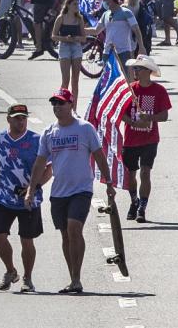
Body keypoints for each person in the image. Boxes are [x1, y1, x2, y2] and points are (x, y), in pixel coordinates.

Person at [25, 88, 116, 294]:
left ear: (71, 105)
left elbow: (99, 155)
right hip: (59, 192)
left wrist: (109, 182)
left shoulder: (85, 128)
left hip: (81, 189)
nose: (57, 107)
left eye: (61, 103)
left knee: (74, 229)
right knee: (66, 236)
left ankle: (77, 278)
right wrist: (31, 189)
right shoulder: (49, 132)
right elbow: (40, 163)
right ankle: (73, 277)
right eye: (54, 104)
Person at [0, 104, 51, 293]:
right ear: (9, 119)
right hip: (3, 199)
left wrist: (34, 187)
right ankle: (10, 270)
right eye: (17, 118)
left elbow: (48, 169)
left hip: (29, 200)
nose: (21, 121)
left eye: (23, 118)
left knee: (27, 240)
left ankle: (27, 278)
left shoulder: (36, 140)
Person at [120, 54, 170, 223]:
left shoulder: (159, 91)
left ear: (147, 71)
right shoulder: (130, 89)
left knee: (145, 172)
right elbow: (122, 114)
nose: (135, 71)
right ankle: (134, 201)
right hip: (130, 140)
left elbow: (164, 115)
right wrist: (133, 121)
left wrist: (149, 119)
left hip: (150, 140)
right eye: (134, 68)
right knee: (130, 174)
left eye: (138, 68)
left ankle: (142, 207)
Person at [94, 0, 145, 69]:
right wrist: (80, 30)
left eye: (105, 0)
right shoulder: (105, 14)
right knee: (108, 77)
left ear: (111, 0)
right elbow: (96, 30)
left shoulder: (126, 13)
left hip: (123, 51)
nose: (104, 2)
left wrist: (141, 47)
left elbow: (136, 29)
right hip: (107, 51)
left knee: (126, 75)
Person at [51, 0, 87, 108]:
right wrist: (65, 38)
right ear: (68, 5)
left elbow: (84, 38)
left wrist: (76, 38)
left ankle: (74, 107)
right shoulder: (61, 18)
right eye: (74, 4)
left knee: (75, 80)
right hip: (64, 46)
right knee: (65, 79)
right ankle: (62, 105)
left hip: (76, 47)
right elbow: (53, 36)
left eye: (77, 4)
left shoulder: (79, 19)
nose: (77, 6)